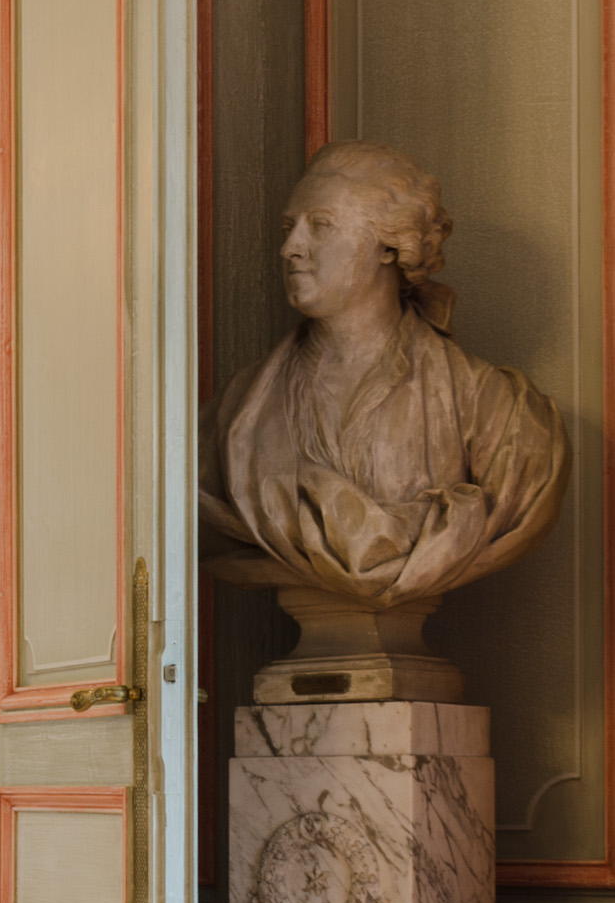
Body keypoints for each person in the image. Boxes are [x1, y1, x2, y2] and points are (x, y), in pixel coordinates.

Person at [200, 139, 568, 625]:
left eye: (321, 224)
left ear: (391, 246)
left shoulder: (498, 411)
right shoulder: (233, 414)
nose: (291, 248)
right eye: (289, 228)